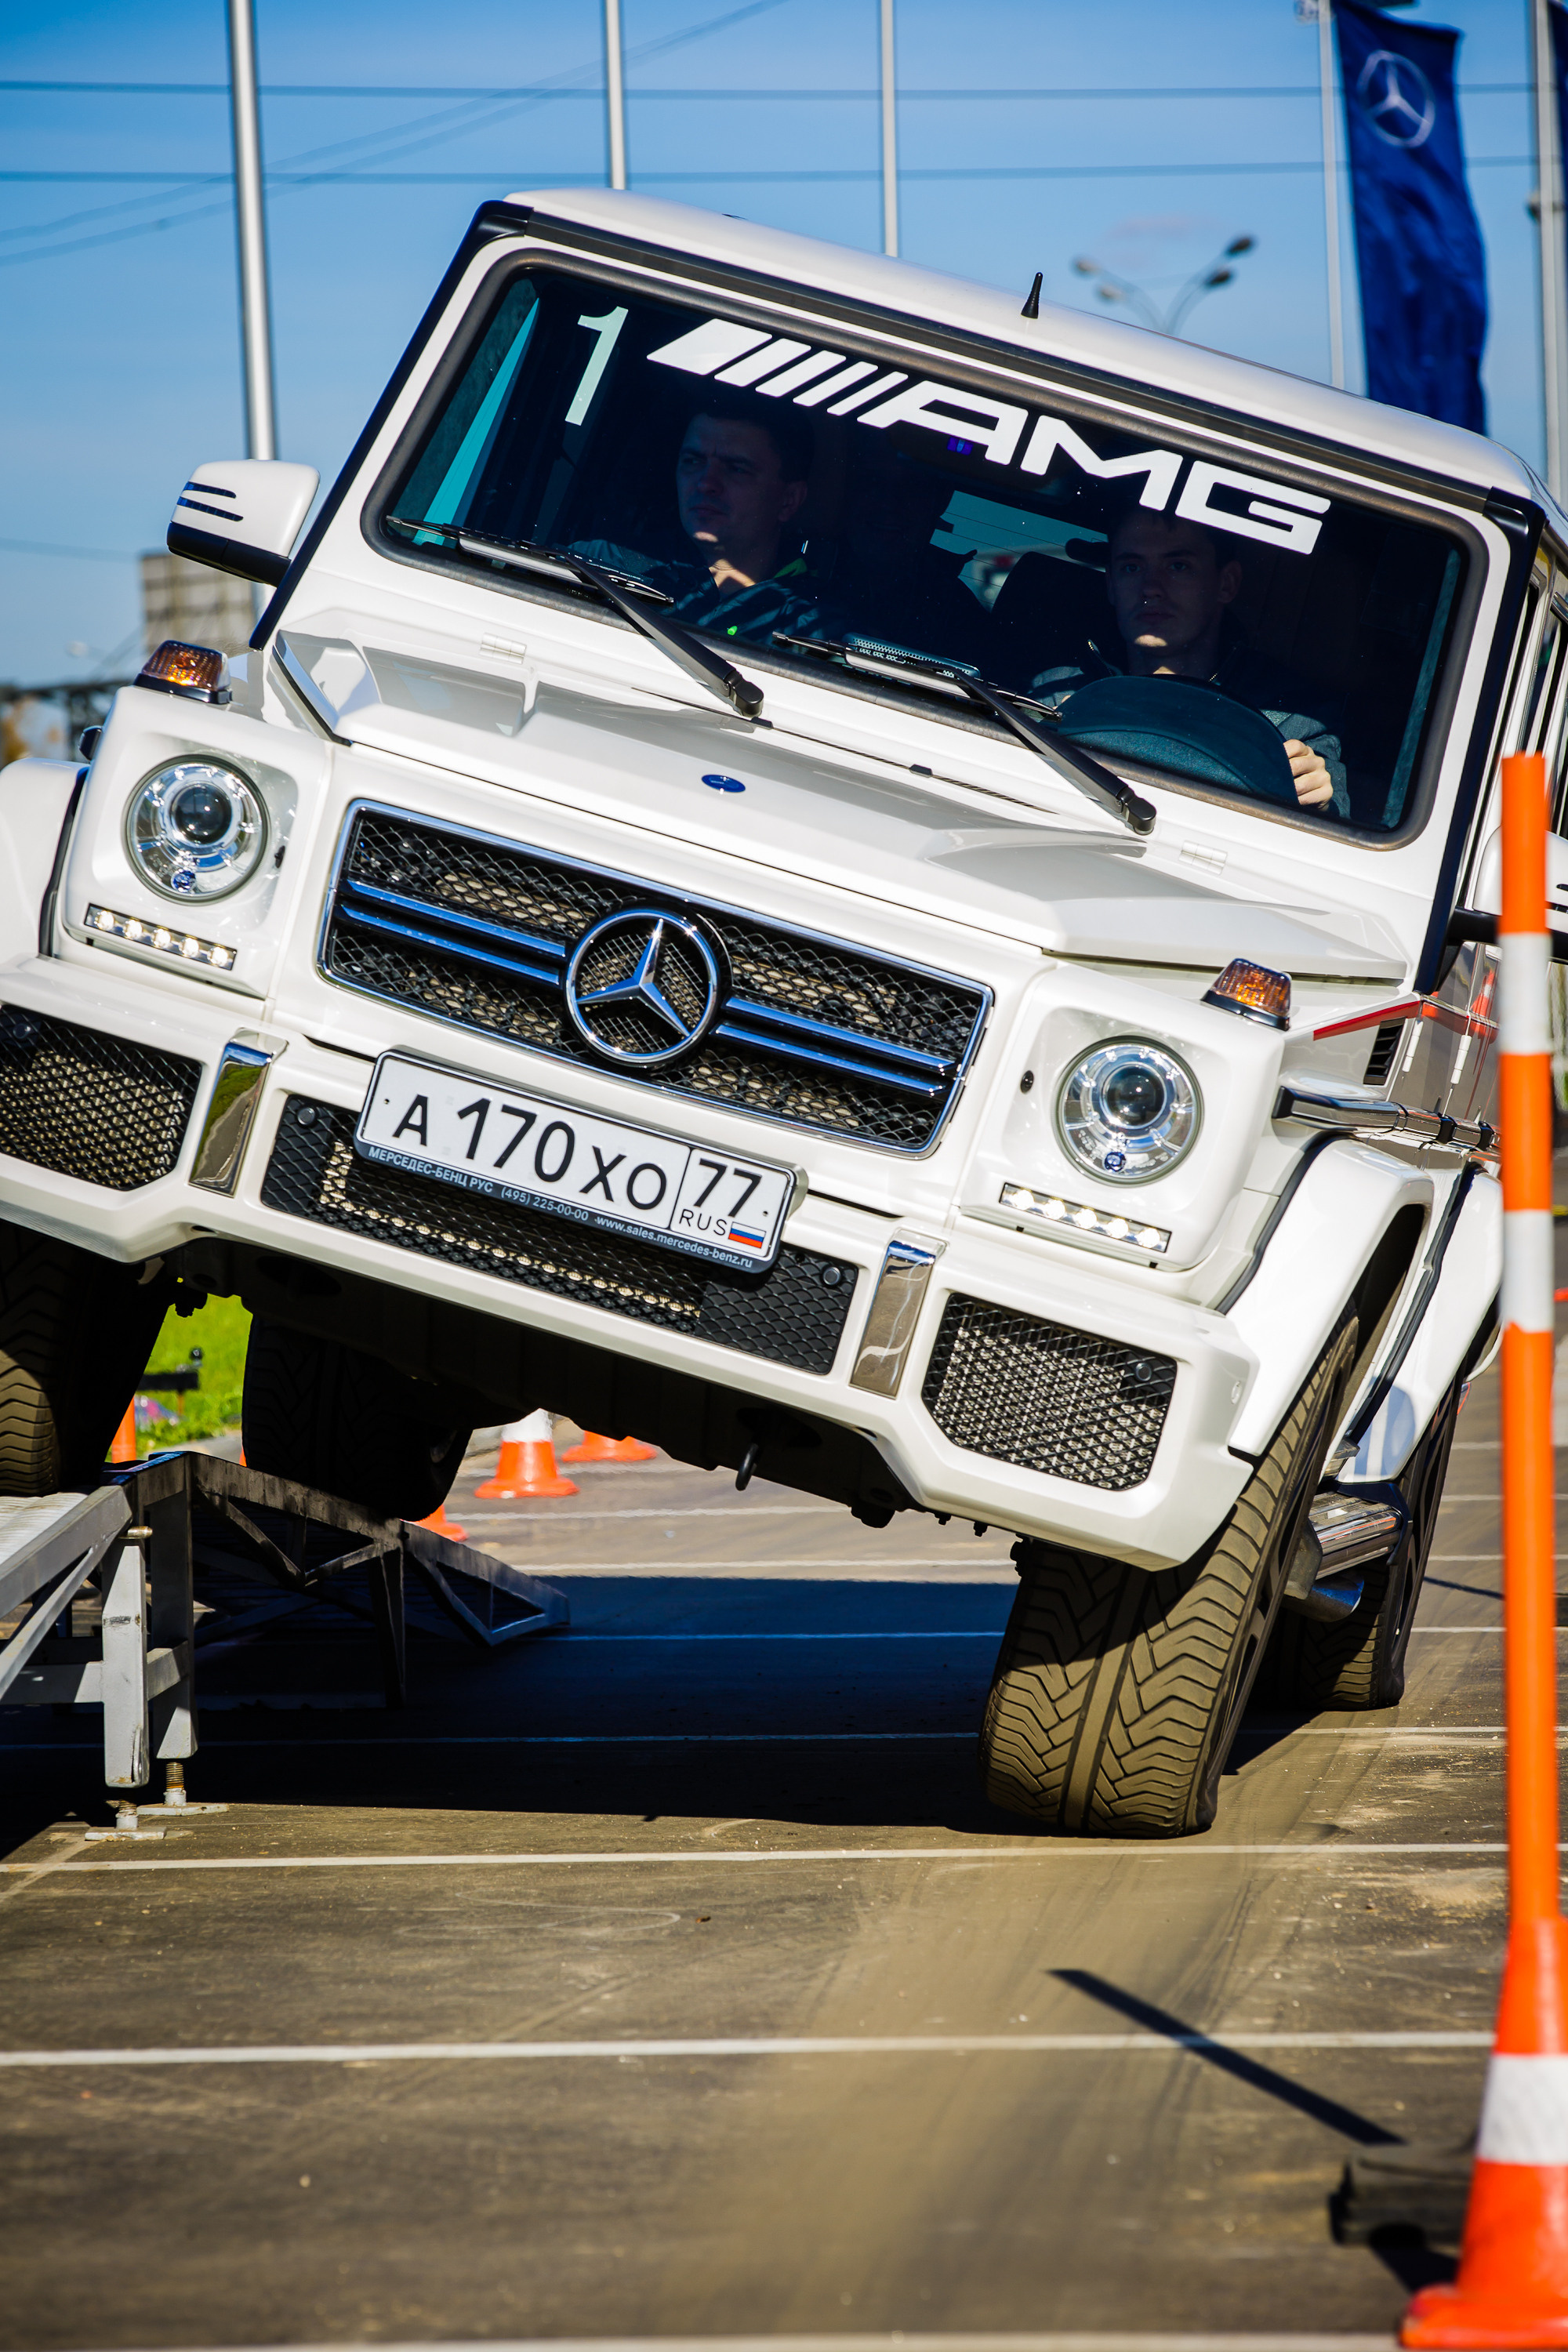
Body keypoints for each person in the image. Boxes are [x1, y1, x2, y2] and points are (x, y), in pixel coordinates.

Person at [1030, 508, 1347, 817]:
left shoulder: (1292, 719)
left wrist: (1321, 804)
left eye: (1178, 566)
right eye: (1132, 567)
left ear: (1226, 583)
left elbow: (1336, 831)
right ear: (1111, 584)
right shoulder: (1057, 692)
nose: (1151, 588)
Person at [572, 394, 821, 646]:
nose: (705, 483)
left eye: (736, 468)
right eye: (693, 461)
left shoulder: (817, 630)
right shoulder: (596, 566)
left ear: (788, 500)